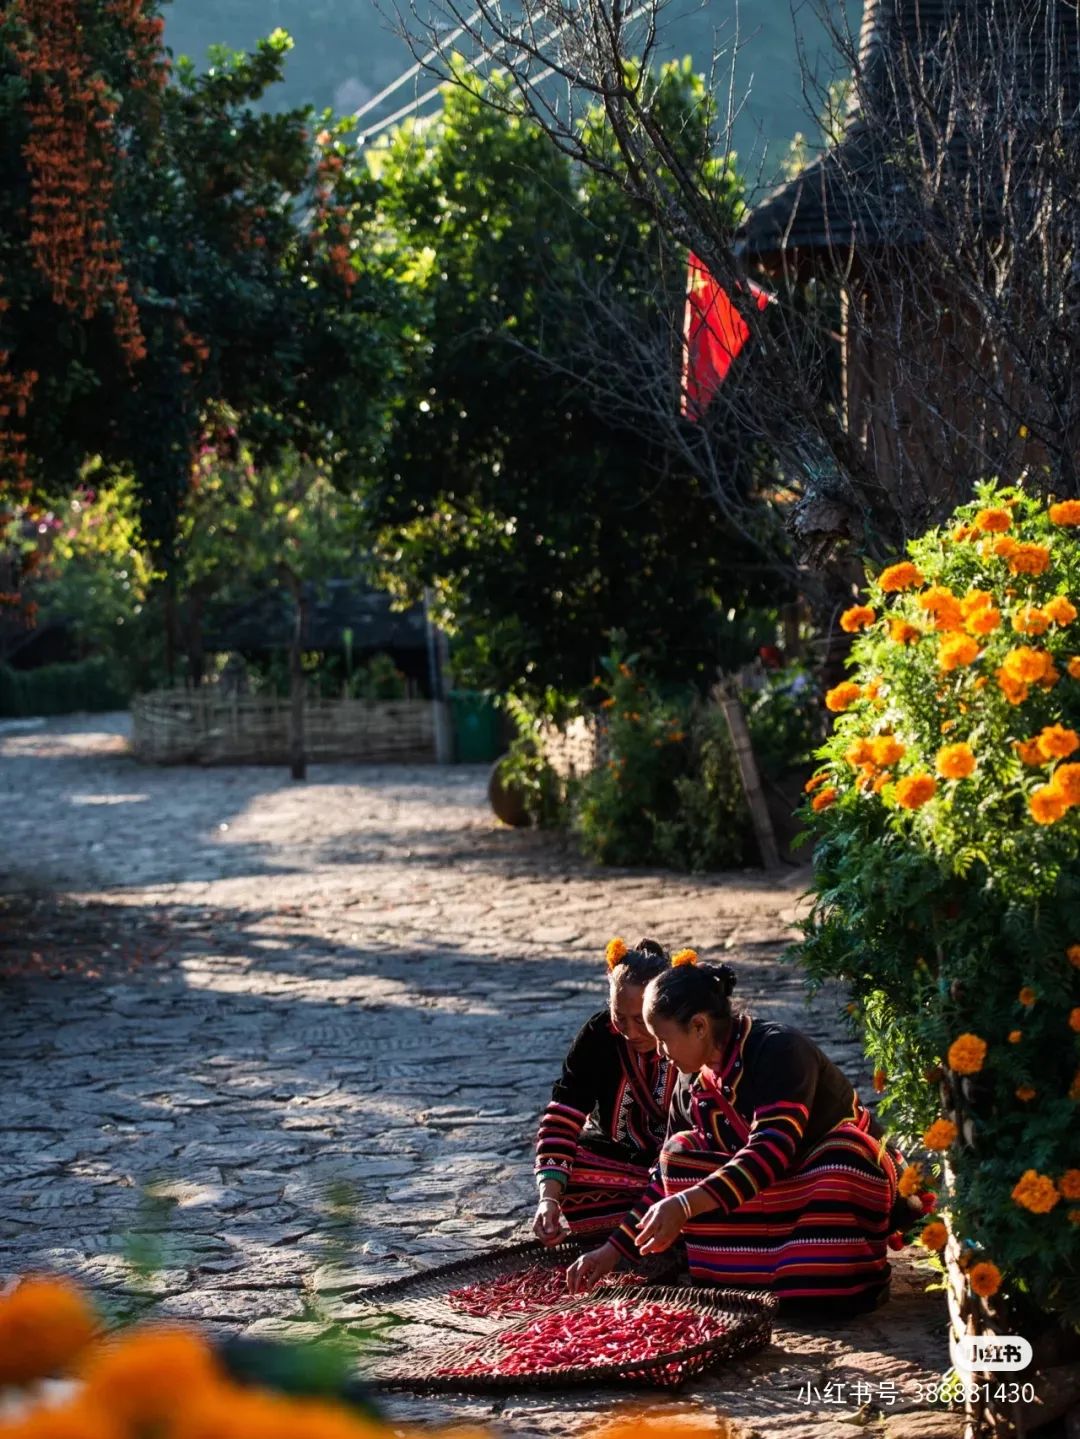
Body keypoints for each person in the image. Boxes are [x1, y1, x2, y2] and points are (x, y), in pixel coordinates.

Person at [566, 958, 900, 1314]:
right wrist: (612, 1251)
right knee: (677, 1158)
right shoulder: (689, 1080)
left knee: (843, 1161)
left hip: (819, 1181)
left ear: (698, 1026)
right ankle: (762, 1273)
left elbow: (771, 1150)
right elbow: (663, 1180)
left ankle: (828, 1276)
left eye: (664, 1041)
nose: (661, 1054)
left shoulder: (779, 1050)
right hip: (771, 1191)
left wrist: (685, 1204)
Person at [532, 936, 684, 1245]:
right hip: (619, 1164)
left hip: (680, 1168)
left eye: (641, 1019)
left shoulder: (686, 1036)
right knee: (572, 1166)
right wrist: (548, 1199)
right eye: (620, 1017)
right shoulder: (599, 1036)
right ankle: (645, 1229)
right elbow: (564, 1112)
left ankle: (646, 1226)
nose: (629, 1031)